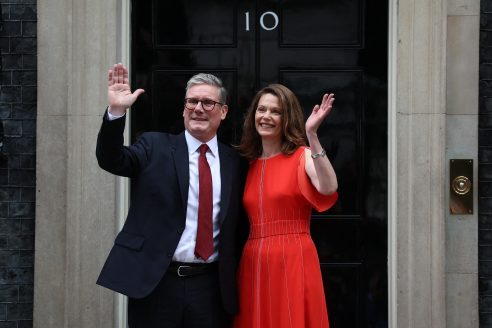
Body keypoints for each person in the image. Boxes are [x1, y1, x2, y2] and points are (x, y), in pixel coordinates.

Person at [96, 63, 245, 328]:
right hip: (157, 284)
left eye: (208, 103)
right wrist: (117, 111)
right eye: (192, 101)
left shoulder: (234, 161)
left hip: (211, 288)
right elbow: (111, 159)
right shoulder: (154, 146)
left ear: (223, 112)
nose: (198, 108)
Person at [232, 84, 339, 328]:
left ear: (287, 117)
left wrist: (312, 135)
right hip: (254, 259)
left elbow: (328, 187)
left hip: (293, 255)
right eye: (261, 109)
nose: (266, 116)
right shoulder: (247, 165)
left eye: (275, 111)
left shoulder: (302, 156)